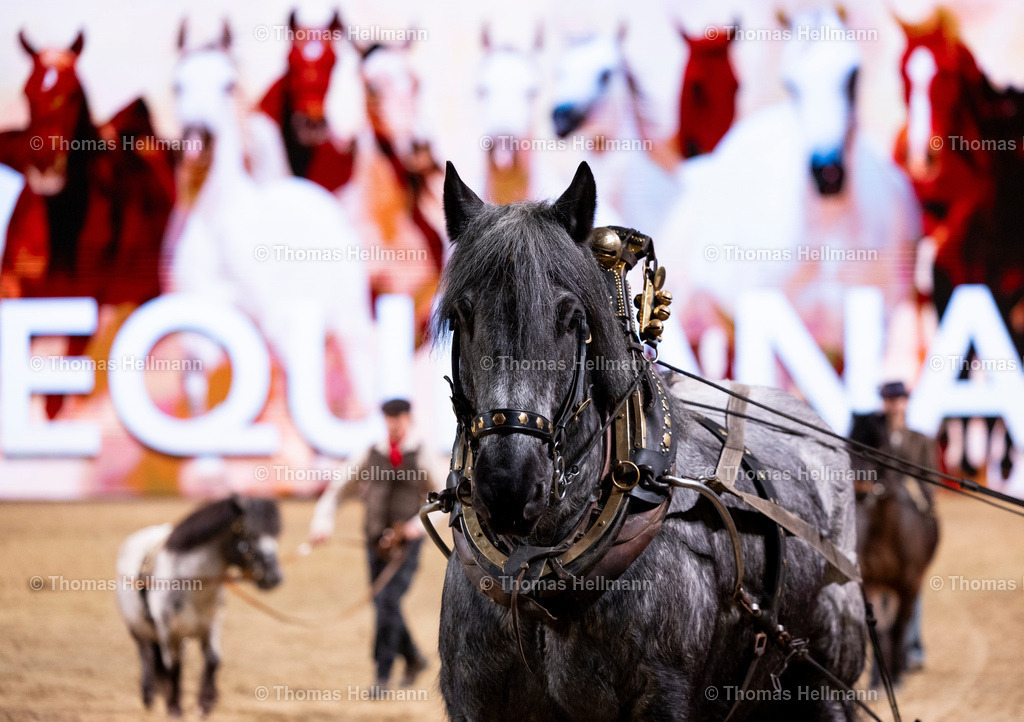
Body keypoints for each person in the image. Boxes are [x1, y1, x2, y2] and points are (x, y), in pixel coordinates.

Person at [309, 398, 441, 691]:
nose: (394, 425)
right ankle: (413, 658)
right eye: (389, 419)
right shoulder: (370, 453)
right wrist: (323, 523)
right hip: (373, 542)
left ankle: (382, 676)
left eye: (399, 419)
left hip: (404, 545)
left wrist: (414, 527)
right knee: (385, 604)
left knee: (387, 603)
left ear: (408, 419)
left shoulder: (422, 453)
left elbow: (441, 499)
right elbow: (338, 489)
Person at [879, 380, 938, 671]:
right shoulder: (875, 437)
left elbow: (930, 482)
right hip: (881, 516)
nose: (894, 404)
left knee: (911, 586)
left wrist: (927, 511)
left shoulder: (920, 440)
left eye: (899, 398)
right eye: (889, 399)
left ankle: (913, 646)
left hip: (910, 517)